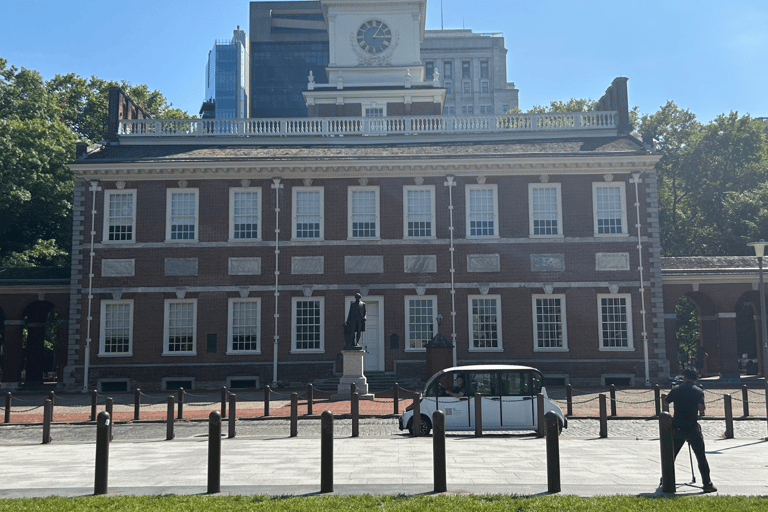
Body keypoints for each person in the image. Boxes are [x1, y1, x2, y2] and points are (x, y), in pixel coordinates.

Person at [664, 368, 717, 493]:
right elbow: (701, 407)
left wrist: (668, 415)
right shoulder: (698, 391)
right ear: (696, 379)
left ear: (685, 377)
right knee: (700, 456)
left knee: (671, 456)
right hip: (692, 427)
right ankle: (707, 484)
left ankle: (665, 481)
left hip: (677, 426)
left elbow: (666, 401)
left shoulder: (676, 389)